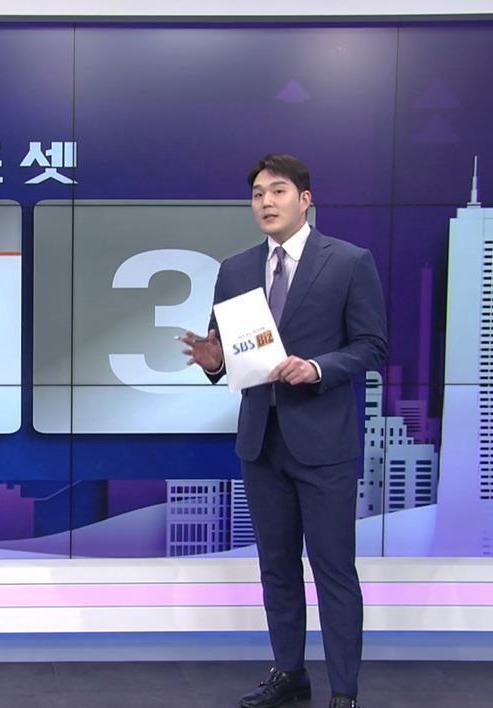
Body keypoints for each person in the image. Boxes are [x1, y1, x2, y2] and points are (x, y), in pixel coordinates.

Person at [181, 154, 387, 708]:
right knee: (276, 568)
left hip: (323, 445)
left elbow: (372, 346)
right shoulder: (235, 270)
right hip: (261, 443)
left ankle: (344, 691)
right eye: (257, 194)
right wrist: (212, 362)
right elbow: (227, 353)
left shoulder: (349, 262)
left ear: (305, 199)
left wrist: (318, 368)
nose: (266, 202)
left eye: (277, 191)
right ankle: (289, 673)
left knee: (333, 570)